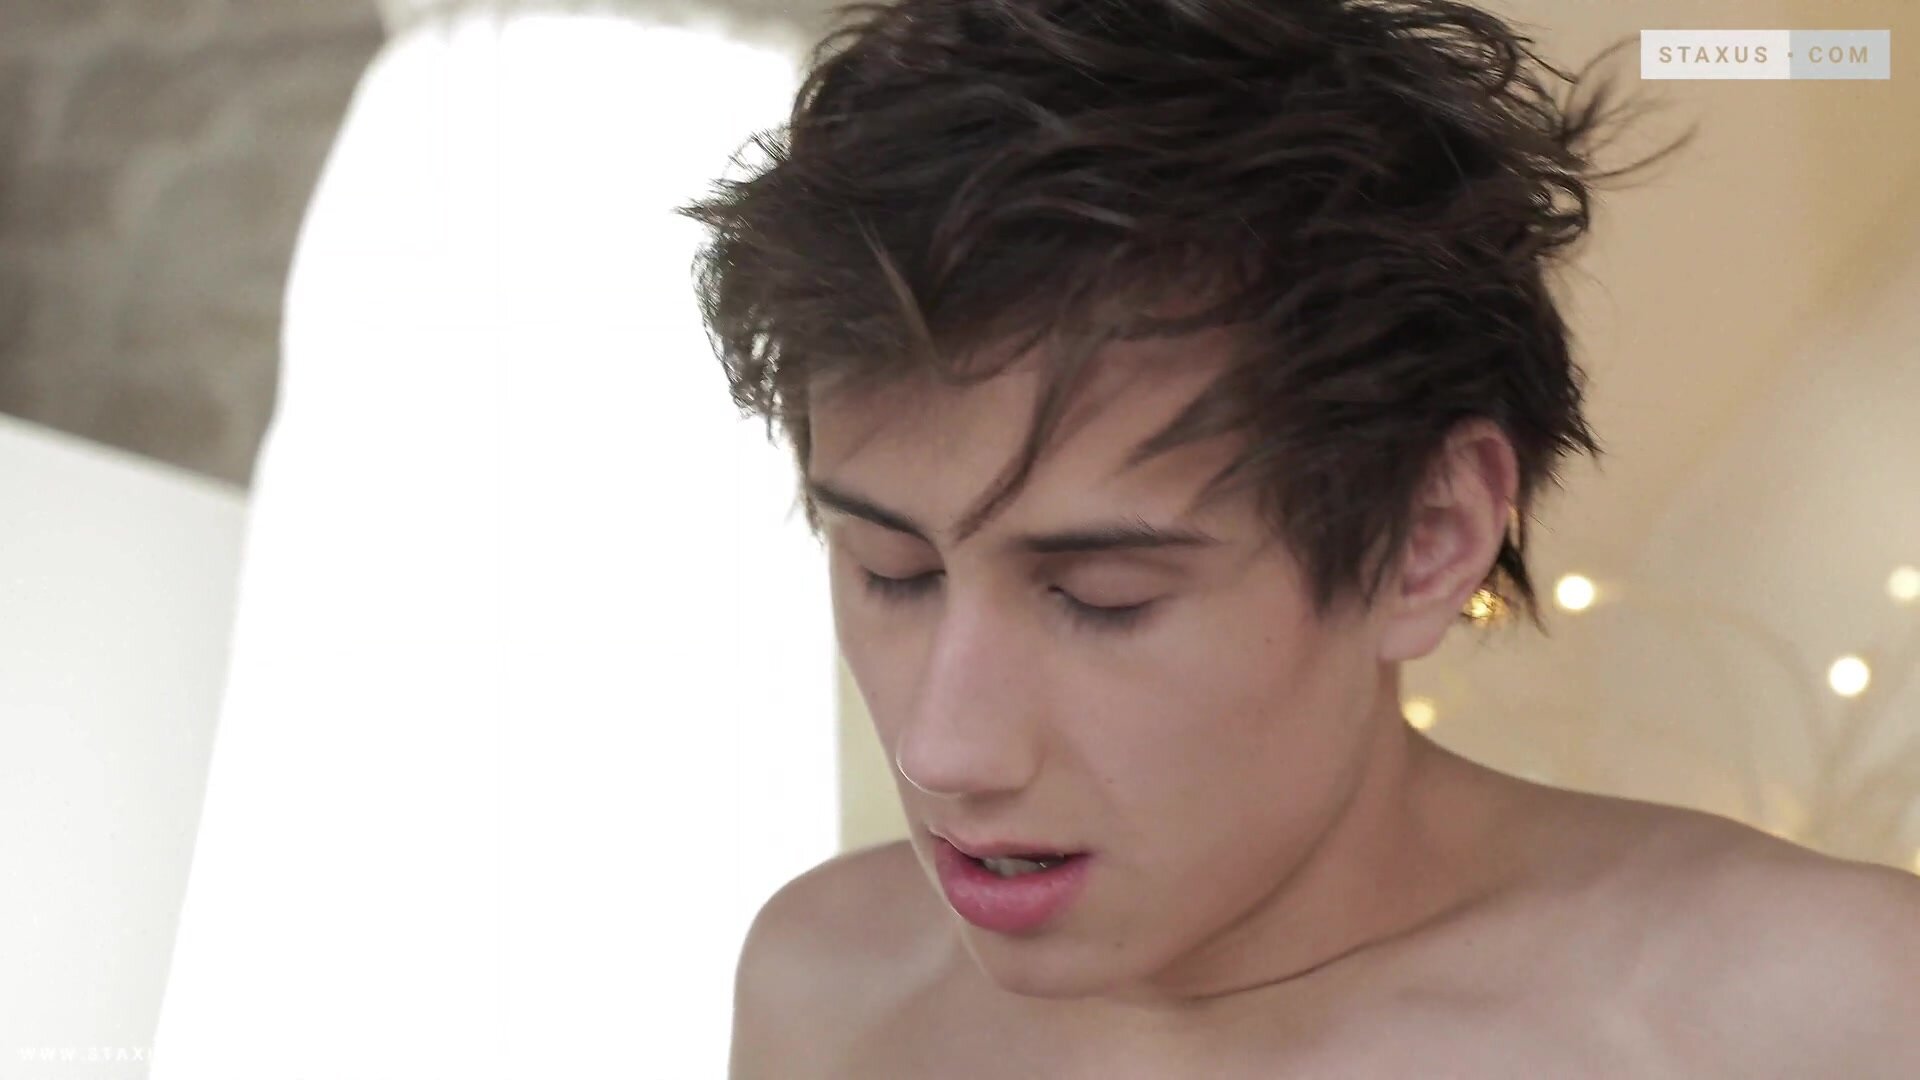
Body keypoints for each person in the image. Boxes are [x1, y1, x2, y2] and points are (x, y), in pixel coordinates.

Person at [677, 0, 1920, 1074]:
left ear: (1427, 536)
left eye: (1103, 595)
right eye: (892, 573)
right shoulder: (828, 986)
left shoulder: (1815, 1012)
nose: (946, 750)